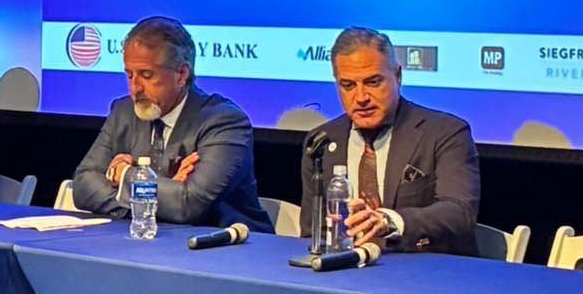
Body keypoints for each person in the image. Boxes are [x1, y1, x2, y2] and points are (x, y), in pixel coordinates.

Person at [71, 16, 272, 231]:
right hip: (150, 241)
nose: (135, 88)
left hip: (225, 246)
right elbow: (83, 186)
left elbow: (188, 205)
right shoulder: (124, 111)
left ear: (181, 74)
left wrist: (124, 175)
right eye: (129, 75)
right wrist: (161, 195)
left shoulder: (224, 122)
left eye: (146, 75)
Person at [307, 25, 480, 255]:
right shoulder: (322, 141)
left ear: (397, 75)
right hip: (345, 270)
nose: (361, 97)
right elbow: (311, 233)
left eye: (373, 82)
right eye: (348, 85)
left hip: (424, 269)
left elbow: (459, 212)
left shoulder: (446, 133)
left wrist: (388, 221)